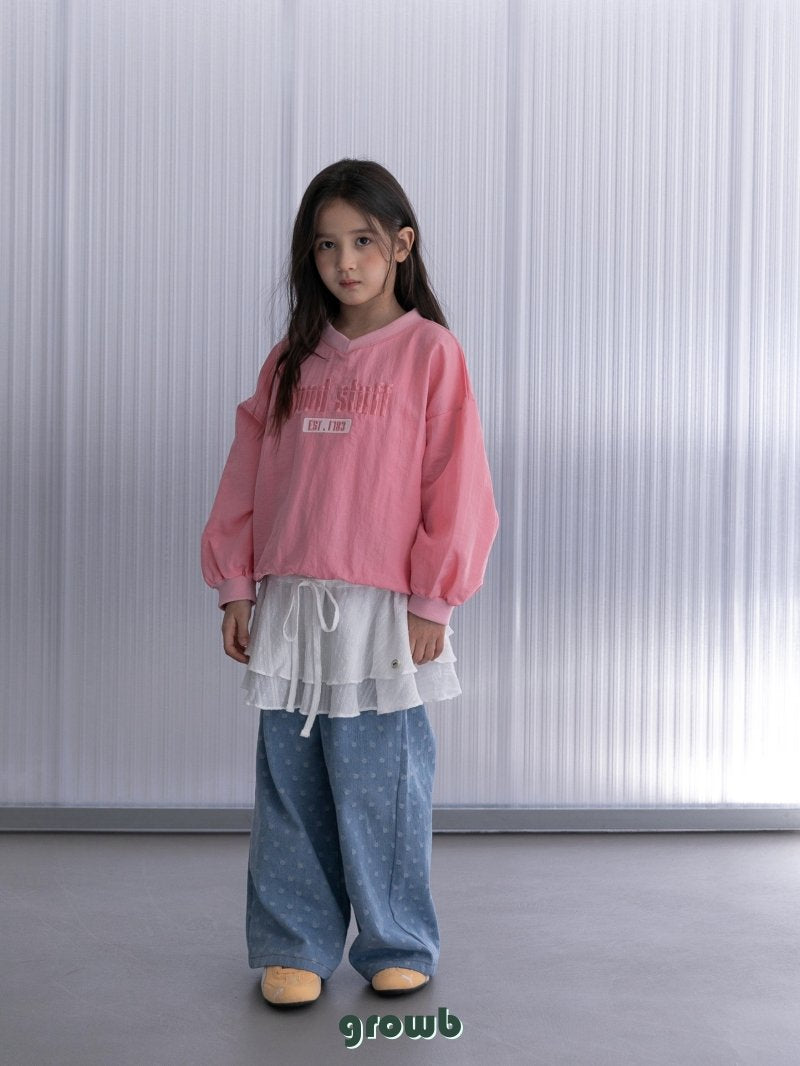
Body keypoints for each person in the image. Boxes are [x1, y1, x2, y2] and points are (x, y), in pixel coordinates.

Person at [200, 158, 499, 1009]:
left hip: (383, 612)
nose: (345, 262)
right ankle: (293, 944)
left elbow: (457, 482)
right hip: (294, 607)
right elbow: (246, 475)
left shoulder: (431, 354)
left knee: (383, 785)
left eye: (363, 241)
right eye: (327, 245)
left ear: (401, 245)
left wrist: (434, 600)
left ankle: (396, 939)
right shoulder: (291, 362)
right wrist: (237, 585)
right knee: (291, 788)